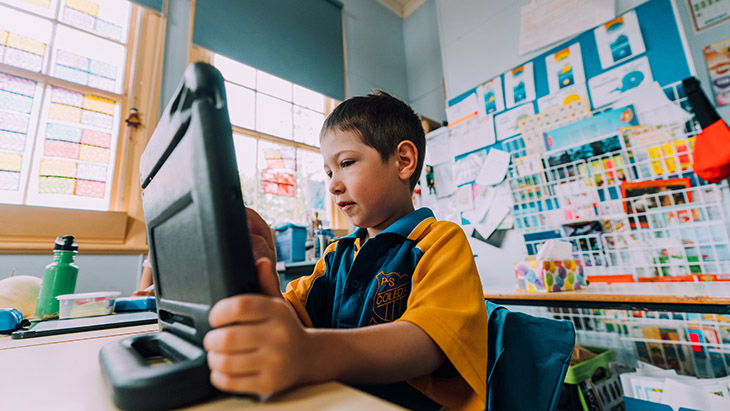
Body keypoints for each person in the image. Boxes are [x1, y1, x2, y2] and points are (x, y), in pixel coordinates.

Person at [203, 91, 487, 410]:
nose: (333, 185)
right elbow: (292, 319)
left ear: (403, 161)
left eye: (346, 163)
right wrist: (260, 273)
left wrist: (311, 354)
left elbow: (428, 343)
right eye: (329, 172)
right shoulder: (337, 254)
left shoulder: (439, 241)